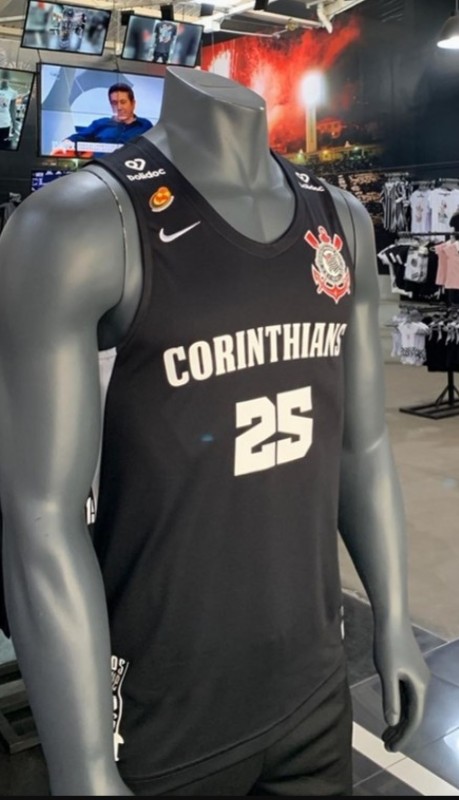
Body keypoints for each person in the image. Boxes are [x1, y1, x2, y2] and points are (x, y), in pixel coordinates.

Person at [0, 66, 430, 797]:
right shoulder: (77, 224)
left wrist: (393, 621)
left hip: (311, 693)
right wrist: (84, 765)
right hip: (163, 711)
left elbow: (362, 445)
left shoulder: (340, 221)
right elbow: (40, 517)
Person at [65, 82, 152, 154]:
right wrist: (65, 144)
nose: (119, 107)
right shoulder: (100, 124)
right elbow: (77, 138)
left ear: (133, 103)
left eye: (123, 102)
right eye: (114, 103)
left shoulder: (145, 126)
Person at [0, 76, 17, 148]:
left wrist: (14, 124)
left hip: (5, 124)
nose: (4, 80)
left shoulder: (13, 92)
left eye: (6, 78)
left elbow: (12, 109)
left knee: (3, 146)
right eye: (2, 78)